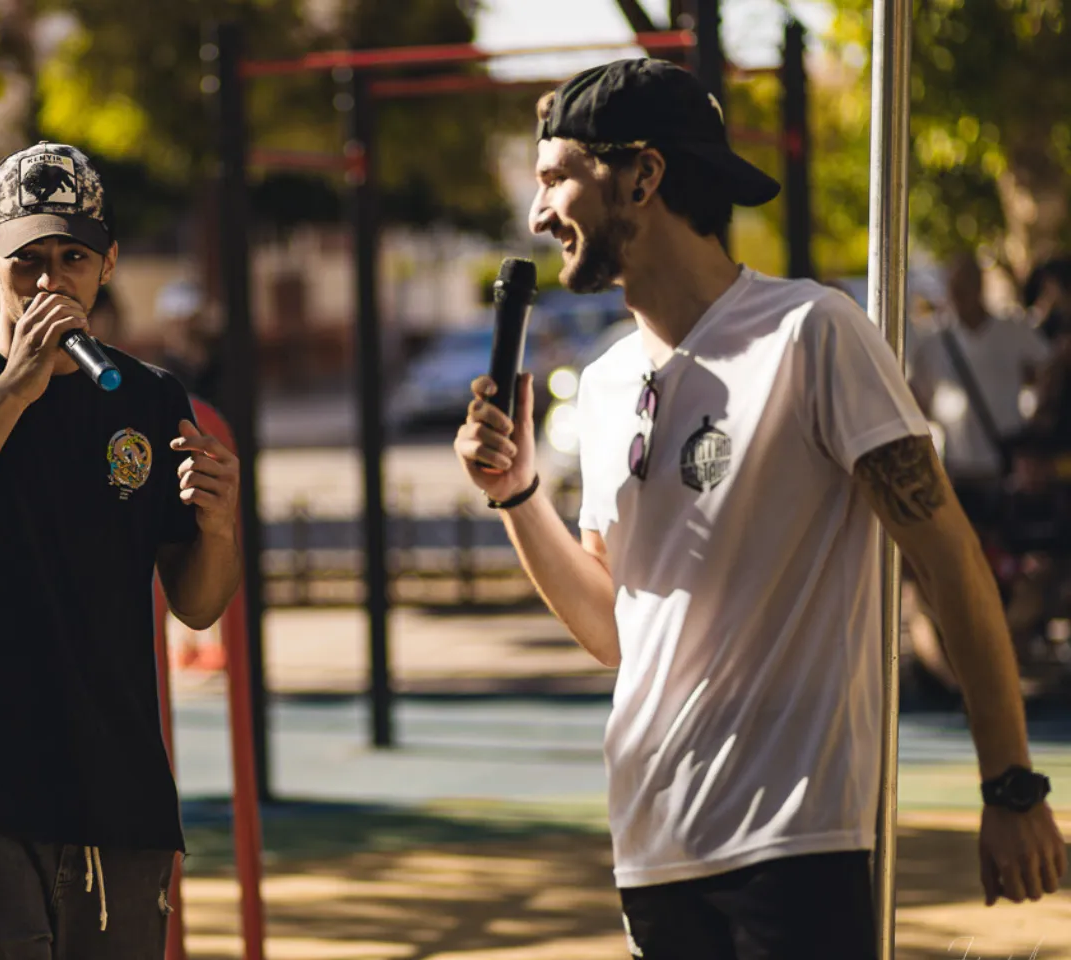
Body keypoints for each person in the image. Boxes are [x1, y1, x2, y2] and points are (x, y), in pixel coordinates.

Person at [453, 59, 1066, 960]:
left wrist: (1011, 784)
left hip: (794, 844)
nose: (539, 215)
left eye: (555, 179)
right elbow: (618, 630)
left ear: (643, 175)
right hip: (651, 846)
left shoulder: (811, 334)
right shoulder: (612, 378)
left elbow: (949, 561)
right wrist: (516, 497)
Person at [0, 141, 243, 960]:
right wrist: (11, 390)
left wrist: (219, 526)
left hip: (119, 786)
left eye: (71, 257)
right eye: (27, 259)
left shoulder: (148, 396)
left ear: (107, 266)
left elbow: (199, 602)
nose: (48, 281)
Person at [906, 251, 1051, 525]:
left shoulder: (1012, 330)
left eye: (964, 286)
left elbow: (1046, 368)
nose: (958, 295)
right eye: (953, 287)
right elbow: (916, 396)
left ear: (979, 287)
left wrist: (1037, 418)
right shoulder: (933, 341)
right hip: (957, 470)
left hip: (1004, 464)